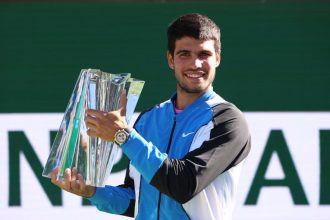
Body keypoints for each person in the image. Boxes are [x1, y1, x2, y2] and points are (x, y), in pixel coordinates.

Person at [51, 13, 251, 220]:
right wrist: (93, 192)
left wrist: (123, 136)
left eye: (204, 54)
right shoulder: (149, 118)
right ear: (170, 59)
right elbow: (135, 199)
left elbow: (184, 185)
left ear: (217, 58)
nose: (195, 64)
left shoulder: (228, 120)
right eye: (184, 54)